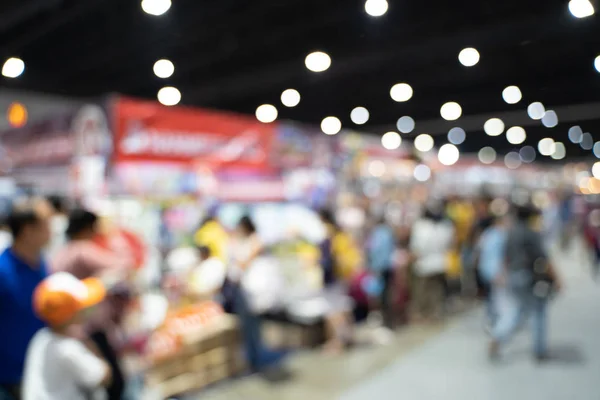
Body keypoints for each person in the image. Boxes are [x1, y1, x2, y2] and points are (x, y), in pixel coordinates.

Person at [51, 209, 131, 400]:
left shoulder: (62, 252)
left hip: (68, 326)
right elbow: (123, 264)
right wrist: (115, 238)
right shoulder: (82, 250)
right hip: (89, 327)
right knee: (113, 382)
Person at [22, 272, 112, 400]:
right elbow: (104, 377)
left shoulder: (40, 338)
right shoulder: (68, 348)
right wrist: (90, 345)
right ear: (72, 314)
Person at [489, 205, 562, 361]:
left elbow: (505, 257)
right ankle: (539, 349)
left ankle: (499, 335)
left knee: (518, 310)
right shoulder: (531, 234)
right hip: (529, 277)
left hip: (513, 276)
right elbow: (544, 258)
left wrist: (503, 275)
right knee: (538, 311)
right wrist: (556, 278)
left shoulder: (511, 233)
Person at [0, 198, 53, 400]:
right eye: (46, 225)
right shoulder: (3, 272)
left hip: (37, 374)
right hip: (8, 378)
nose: (51, 231)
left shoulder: (42, 265)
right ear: (27, 231)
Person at [229, 215, 283, 371]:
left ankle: (256, 356)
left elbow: (245, 262)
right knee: (248, 324)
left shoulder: (255, 240)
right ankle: (252, 355)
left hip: (253, 290)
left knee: (252, 323)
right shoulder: (242, 241)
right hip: (246, 288)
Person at [318, 209, 357, 353]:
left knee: (333, 312)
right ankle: (349, 338)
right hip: (342, 276)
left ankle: (337, 342)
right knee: (343, 308)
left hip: (332, 277)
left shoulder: (326, 234)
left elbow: (325, 257)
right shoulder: (341, 234)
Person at [409, 202, 455, 322]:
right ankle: (435, 313)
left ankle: (425, 315)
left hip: (424, 264)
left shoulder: (421, 227)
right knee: (436, 291)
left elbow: (417, 247)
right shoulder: (446, 226)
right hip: (440, 263)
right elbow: (450, 245)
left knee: (423, 292)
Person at [476, 214, 508, 329]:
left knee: (490, 296)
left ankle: (491, 319)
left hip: (484, 269)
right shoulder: (501, 235)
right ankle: (496, 321)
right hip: (495, 270)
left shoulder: (487, 234)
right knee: (497, 297)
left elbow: (479, 251)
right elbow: (503, 255)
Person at [367, 215, 396, 329]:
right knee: (387, 294)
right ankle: (389, 319)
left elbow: (373, 251)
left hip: (380, 267)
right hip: (388, 266)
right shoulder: (388, 232)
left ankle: (385, 320)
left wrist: (373, 267)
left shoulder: (377, 234)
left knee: (381, 296)